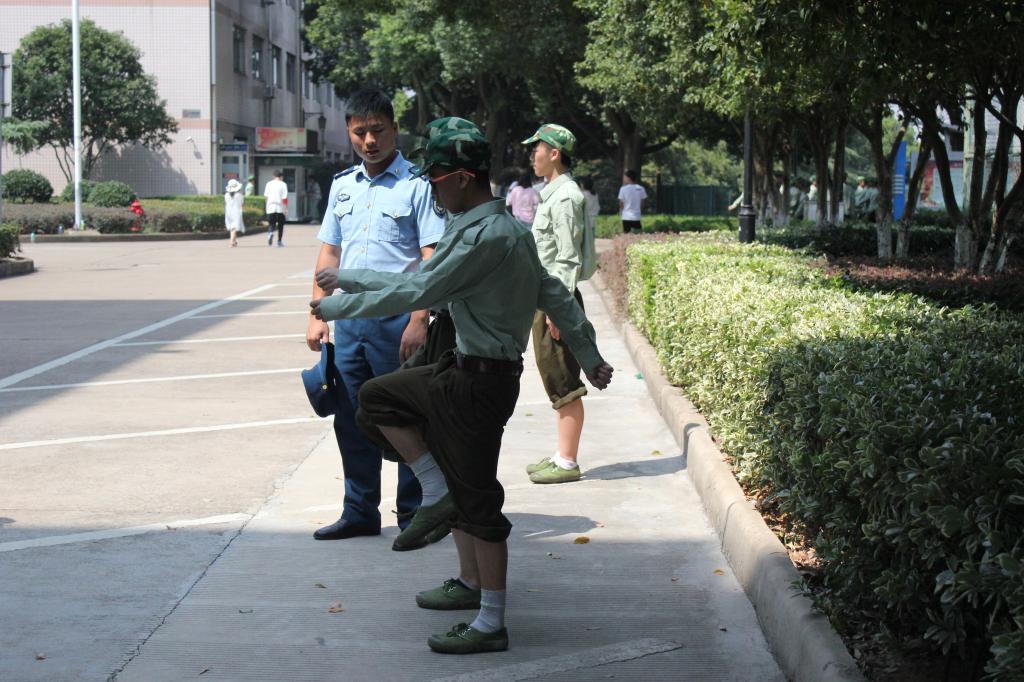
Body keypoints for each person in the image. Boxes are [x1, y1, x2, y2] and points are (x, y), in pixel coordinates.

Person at [309, 119, 614, 654]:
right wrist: (351, 278)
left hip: (481, 381)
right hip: (464, 371)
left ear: (462, 177)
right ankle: (445, 516)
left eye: (435, 179)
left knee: (477, 501)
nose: (429, 188)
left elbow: (421, 288)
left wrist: (337, 303)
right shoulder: (497, 230)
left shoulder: (487, 237)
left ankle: (490, 621)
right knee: (381, 402)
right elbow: (550, 297)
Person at [306, 88, 445, 545]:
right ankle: (360, 510)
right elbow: (329, 252)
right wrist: (317, 314)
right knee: (350, 416)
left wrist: (419, 318)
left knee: (404, 416)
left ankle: (413, 514)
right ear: (348, 132)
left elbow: (430, 256)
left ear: (394, 129)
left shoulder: (417, 184)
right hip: (349, 320)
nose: (369, 140)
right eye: (360, 132)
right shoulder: (343, 185)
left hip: (398, 319)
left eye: (378, 130)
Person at [520, 123, 590, 485]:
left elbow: (566, 258)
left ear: (554, 153)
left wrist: (557, 309)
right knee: (554, 375)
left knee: (563, 379)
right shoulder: (553, 192)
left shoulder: (565, 197)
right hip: (547, 298)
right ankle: (561, 453)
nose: (533, 155)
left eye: (538, 148)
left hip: (555, 299)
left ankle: (567, 461)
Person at [263, 170, 288, 247]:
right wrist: (286, 208)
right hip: (280, 207)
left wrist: (266, 205)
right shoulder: (283, 184)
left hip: (270, 207)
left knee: (271, 223)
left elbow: (266, 197)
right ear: (281, 177)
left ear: (273, 176)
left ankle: (270, 233)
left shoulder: (268, 184)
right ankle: (279, 241)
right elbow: (285, 198)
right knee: (281, 225)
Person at [224, 178, 245, 247]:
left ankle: (234, 241)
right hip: (236, 212)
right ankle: (231, 242)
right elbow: (242, 204)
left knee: (231, 227)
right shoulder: (239, 195)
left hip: (228, 212)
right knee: (234, 227)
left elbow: (225, 203)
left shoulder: (226, 195)